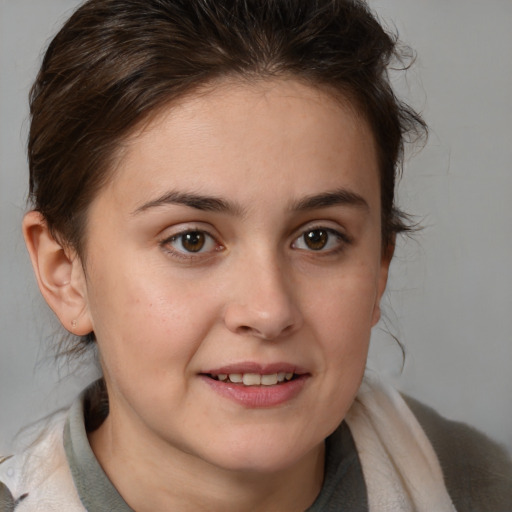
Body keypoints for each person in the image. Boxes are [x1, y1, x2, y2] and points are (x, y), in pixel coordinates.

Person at [1, 0, 511, 510]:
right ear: (65, 273)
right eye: (191, 239)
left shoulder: (485, 492)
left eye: (318, 238)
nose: (269, 311)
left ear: (380, 266)